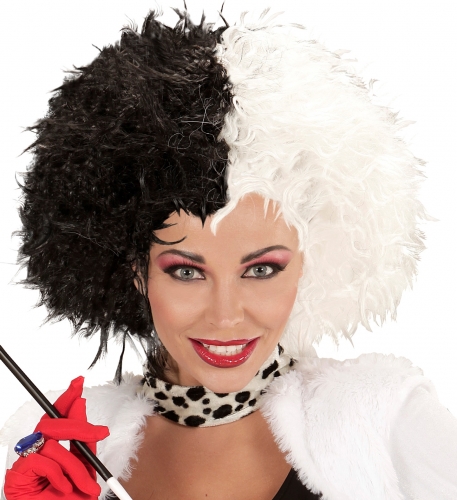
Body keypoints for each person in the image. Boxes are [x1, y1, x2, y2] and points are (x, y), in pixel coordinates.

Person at [1, 6, 457, 500]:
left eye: (261, 269)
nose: (225, 316)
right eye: (186, 272)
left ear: (309, 262)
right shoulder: (55, 448)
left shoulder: (386, 420)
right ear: (136, 271)